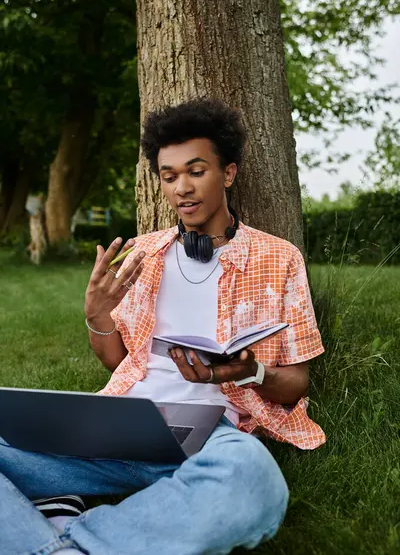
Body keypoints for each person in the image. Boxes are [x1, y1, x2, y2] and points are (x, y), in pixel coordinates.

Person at [0, 99, 325, 555]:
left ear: (228, 173)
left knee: (253, 477)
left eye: (196, 171)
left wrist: (246, 372)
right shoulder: (143, 253)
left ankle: (58, 535)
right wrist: (97, 317)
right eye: (169, 176)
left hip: (208, 437)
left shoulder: (278, 258)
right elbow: (116, 361)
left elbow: (295, 384)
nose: (181, 189)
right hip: (118, 423)